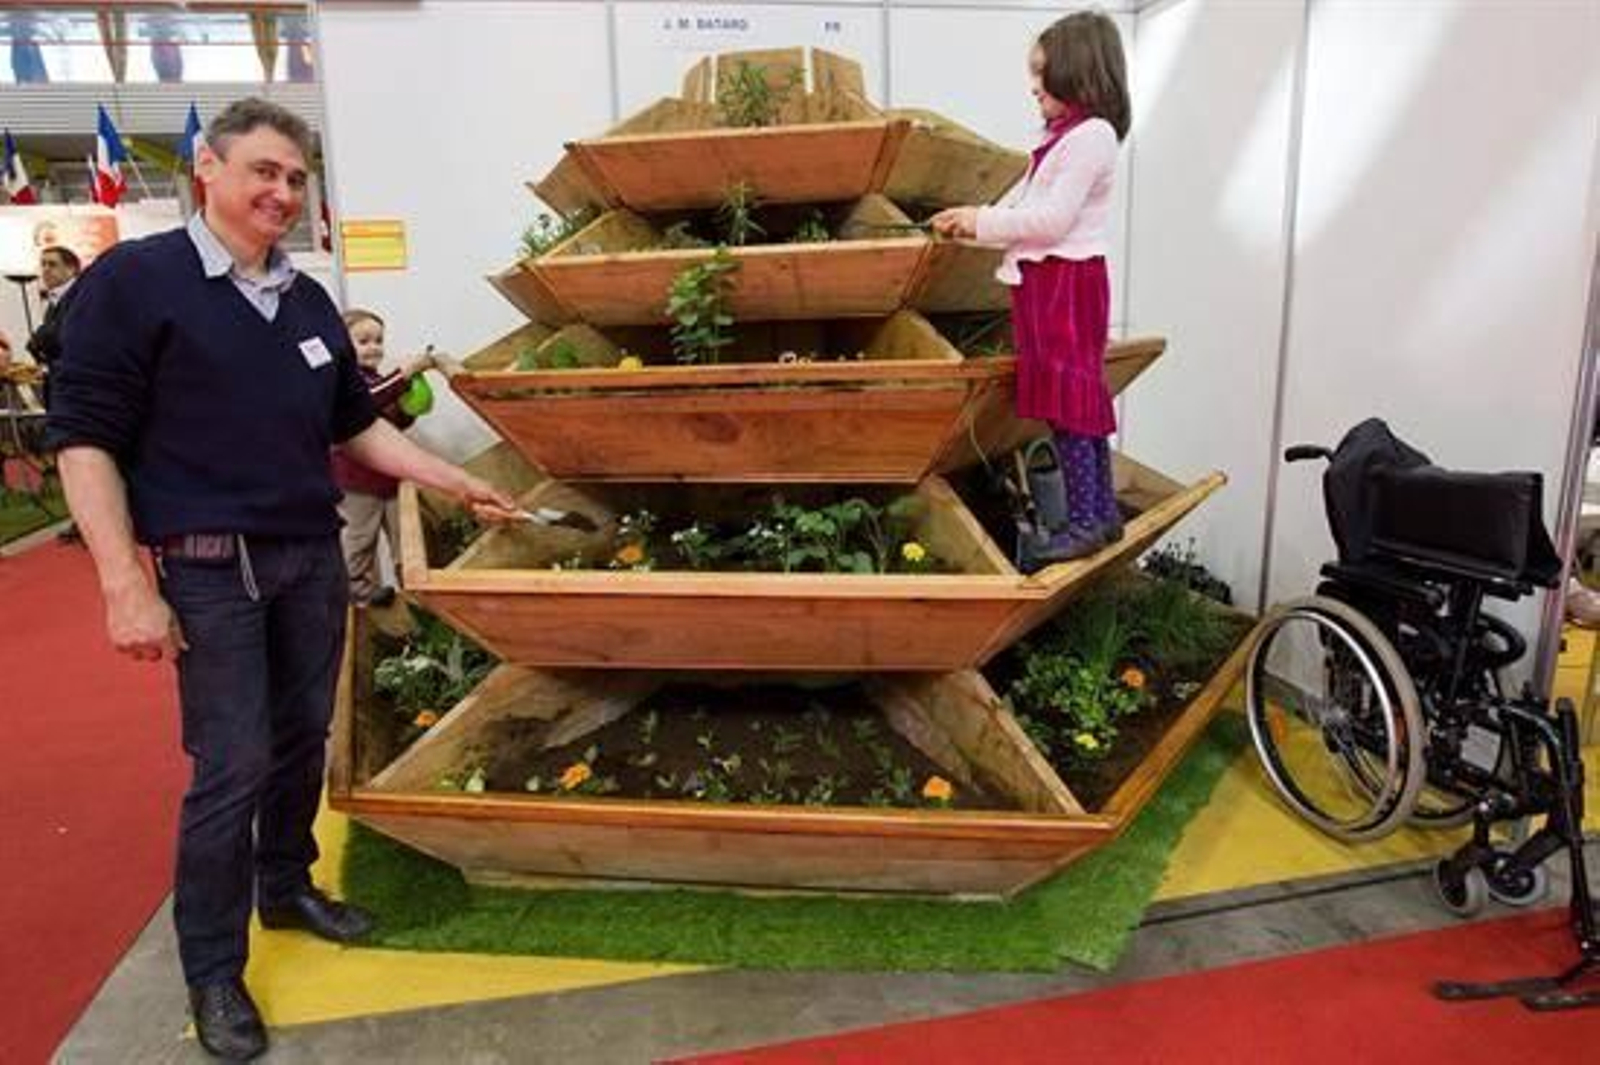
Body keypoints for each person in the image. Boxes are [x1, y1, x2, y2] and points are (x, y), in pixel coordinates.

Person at [46, 97, 518, 1062]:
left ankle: (286, 883)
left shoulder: (305, 300)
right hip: (212, 570)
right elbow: (82, 438)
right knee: (230, 767)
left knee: (304, 738)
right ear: (207, 171)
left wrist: (452, 477)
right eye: (264, 170)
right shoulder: (138, 282)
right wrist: (121, 584)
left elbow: (354, 424)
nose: (283, 191)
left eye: (298, 178)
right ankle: (213, 967)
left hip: (309, 558)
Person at [932, 10, 1130, 564]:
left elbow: (1048, 222)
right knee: (1080, 398)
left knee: (1071, 404)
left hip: (1064, 285)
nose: (1034, 85)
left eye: (1043, 72)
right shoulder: (1066, 136)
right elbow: (1026, 215)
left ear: (1079, 71)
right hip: (1053, 283)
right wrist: (968, 224)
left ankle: (1086, 520)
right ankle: (1103, 515)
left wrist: (977, 219)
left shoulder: (1089, 138)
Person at [332, 307, 432, 607]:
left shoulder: (375, 378)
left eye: (378, 340)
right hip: (356, 480)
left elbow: (391, 422)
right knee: (360, 538)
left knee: (406, 538)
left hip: (389, 476)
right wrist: (405, 374)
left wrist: (407, 409)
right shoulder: (343, 380)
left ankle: (413, 591)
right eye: (364, 341)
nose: (374, 347)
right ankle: (358, 590)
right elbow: (366, 403)